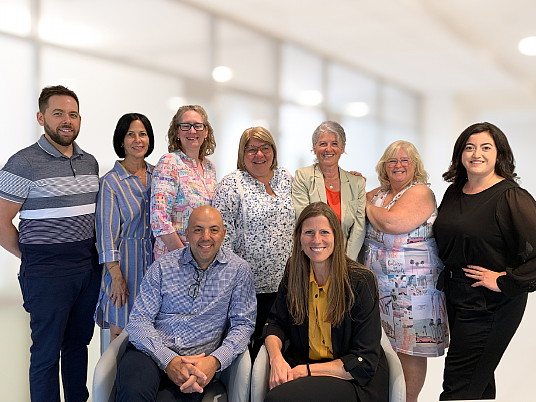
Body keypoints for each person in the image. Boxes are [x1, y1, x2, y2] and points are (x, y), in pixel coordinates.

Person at [0, 85, 100, 401]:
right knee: (46, 352)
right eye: (58, 113)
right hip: (46, 271)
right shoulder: (23, 163)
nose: (66, 121)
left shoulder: (90, 162)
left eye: (72, 114)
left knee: (77, 345)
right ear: (41, 117)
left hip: (86, 268)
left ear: (80, 119)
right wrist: (30, 257)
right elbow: (1, 222)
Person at [433, 122, 536, 400]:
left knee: (458, 386)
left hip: (490, 306)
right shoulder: (455, 191)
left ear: (499, 154)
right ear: (460, 154)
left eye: (485, 147)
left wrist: (505, 280)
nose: (476, 153)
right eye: (469, 147)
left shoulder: (511, 196)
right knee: (477, 382)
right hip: (456, 299)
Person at [116, 206, 256, 401]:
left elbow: (243, 325)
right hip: (149, 352)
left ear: (223, 234)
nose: (206, 237)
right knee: (133, 393)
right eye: (198, 230)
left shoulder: (238, 271)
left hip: (197, 363)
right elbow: (139, 320)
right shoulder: (163, 267)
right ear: (187, 233)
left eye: (213, 230)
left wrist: (214, 361)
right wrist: (168, 360)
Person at [263, 202, 389, 402]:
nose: (316, 240)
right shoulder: (294, 271)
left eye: (324, 232)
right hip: (304, 366)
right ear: (299, 237)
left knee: (279, 399)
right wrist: (276, 359)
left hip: (351, 378)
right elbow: (276, 323)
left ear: (336, 237)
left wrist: (306, 371)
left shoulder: (361, 281)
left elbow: (364, 360)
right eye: (309, 232)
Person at [359, 140, 448, 402]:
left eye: (405, 160)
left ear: (415, 166)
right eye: (392, 161)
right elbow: (351, 200)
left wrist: (362, 204)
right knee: (383, 347)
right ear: (384, 166)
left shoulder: (420, 192)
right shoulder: (378, 194)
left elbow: (392, 222)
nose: (398, 165)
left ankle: (408, 400)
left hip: (415, 290)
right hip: (379, 287)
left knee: (410, 349)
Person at [213, 126, 294, 358]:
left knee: (283, 351)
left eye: (265, 148)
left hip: (286, 286)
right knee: (253, 352)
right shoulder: (232, 184)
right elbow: (221, 236)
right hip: (248, 288)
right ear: (242, 154)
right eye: (252, 149)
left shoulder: (286, 178)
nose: (259, 154)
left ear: (273, 151)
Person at [94, 113, 155, 342]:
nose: (137, 140)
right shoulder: (111, 182)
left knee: (152, 336)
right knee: (120, 339)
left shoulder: (158, 174)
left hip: (155, 266)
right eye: (131, 135)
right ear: (121, 140)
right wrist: (116, 277)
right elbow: (106, 235)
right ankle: (115, 379)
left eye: (143, 134)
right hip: (123, 269)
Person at [292, 121, 366, 261]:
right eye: (323, 144)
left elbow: (359, 228)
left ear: (342, 148)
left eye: (334, 144)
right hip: (312, 255)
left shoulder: (357, 183)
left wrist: (346, 262)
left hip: (346, 259)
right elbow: (304, 220)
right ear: (314, 148)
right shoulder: (303, 176)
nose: (328, 149)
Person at [151, 105, 217, 259]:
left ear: (206, 132)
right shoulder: (169, 163)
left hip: (202, 258)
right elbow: (159, 219)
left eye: (198, 126)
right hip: (174, 260)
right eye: (186, 126)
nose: (192, 131)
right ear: (177, 132)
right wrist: (185, 258)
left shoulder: (209, 167)